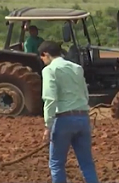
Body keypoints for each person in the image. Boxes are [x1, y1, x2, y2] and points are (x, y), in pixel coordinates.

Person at [38, 41, 99, 183]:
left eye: (42, 57)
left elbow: (50, 99)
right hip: (83, 118)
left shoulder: (49, 70)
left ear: (46, 54)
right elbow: (85, 93)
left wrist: (48, 126)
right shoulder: (77, 68)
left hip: (64, 120)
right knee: (87, 163)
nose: (42, 61)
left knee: (56, 163)